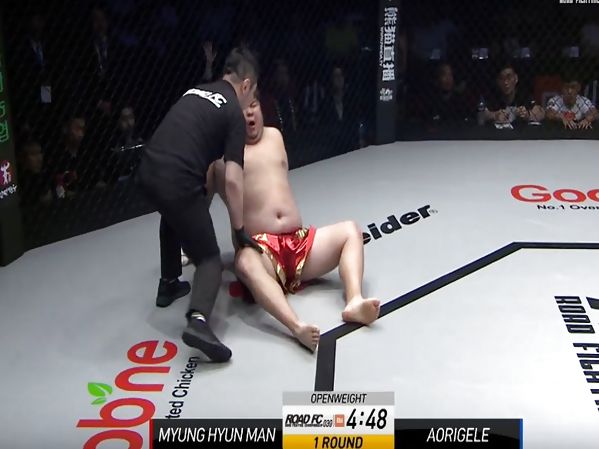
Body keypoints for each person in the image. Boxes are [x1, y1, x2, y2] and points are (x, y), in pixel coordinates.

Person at [210, 91, 380, 351]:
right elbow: (199, 202)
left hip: (298, 242)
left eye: (253, 105)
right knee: (244, 262)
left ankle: (354, 300)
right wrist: (191, 249)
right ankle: (296, 326)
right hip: (262, 251)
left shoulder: (275, 137)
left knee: (350, 231)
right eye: (242, 110)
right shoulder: (223, 158)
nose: (250, 113)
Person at [136, 48, 262, 363]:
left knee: (174, 215)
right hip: (176, 180)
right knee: (208, 259)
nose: (250, 103)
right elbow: (232, 179)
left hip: (147, 171)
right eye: (252, 94)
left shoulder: (197, 90)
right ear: (246, 85)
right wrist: (239, 229)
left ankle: (168, 284)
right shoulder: (233, 111)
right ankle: (199, 321)